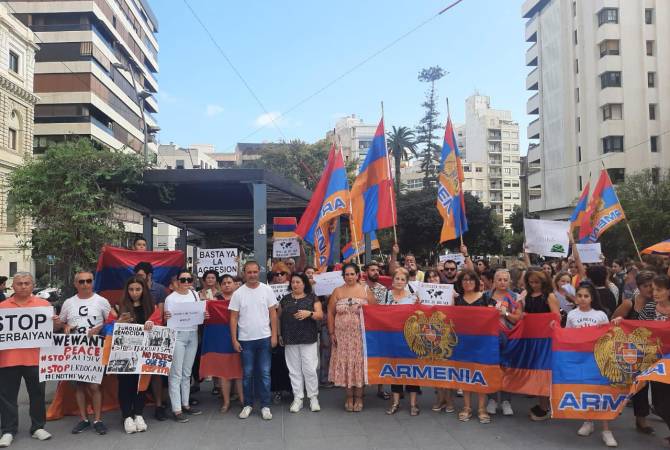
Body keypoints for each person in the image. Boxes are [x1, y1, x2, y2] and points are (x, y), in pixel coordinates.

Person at [0, 273, 55, 447]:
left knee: (37, 395)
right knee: (7, 397)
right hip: (7, 360)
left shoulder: (44, 305)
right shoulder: (2, 307)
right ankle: (8, 431)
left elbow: (52, 331)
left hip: (36, 360)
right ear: (12, 286)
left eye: (27, 283)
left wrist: (57, 324)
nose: (23, 286)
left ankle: (38, 427)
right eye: (19, 283)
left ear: (33, 285)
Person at [59, 271, 112, 435]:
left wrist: (101, 328)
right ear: (75, 284)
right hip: (75, 350)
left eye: (88, 281)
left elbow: (112, 322)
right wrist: (64, 327)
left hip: (95, 349)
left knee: (94, 385)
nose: (85, 284)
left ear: (93, 282)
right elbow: (61, 323)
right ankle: (83, 419)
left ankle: (97, 419)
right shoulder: (68, 303)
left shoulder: (102, 301)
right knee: (80, 385)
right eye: (81, 282)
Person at [566, 282, 617, 447]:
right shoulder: (571, 315)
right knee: (586, 389)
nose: (582, 299)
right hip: (581, 360)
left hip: (599, 359)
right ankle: (588, 421)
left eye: (586, 296)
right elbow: (567, 336)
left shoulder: (600, 314)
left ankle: (606, 429)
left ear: (592, 297)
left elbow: (610, 336)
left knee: (602, 391)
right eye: (579, 295)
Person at [229, 261, 279, 420]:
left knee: (265, 373)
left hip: (264, 338)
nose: (252, 275)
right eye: (249, 272)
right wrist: (234, 339)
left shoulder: (267, 290)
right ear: (244, 273)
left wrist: (274, 335)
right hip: (245, 340)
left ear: (259, 272)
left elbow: (273, 314)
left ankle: (265, 406)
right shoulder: (238, 293)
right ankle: (248, 405)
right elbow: (233, 318)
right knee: (248, 374)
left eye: (255, 272)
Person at [328, 263, 376, 412]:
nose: (349, 277)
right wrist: (331, 332)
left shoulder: (366, 291)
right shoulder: (337, 291)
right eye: (346, 274)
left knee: (358, 365)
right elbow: (330, 313)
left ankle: (360, 397)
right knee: (346, 364)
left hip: (360, 337)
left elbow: (375, 312)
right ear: (343, 276)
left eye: (352, 274)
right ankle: (349, 396)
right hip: (342, 337)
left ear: (357, 275)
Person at [115, 276, 157, 434]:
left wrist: (153, 324)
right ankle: (126, 416)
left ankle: (138, 414)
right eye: (131, 289)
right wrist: (119, 322)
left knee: (142, 384)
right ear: (127, 290)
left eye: (138, 289)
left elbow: (159, 325)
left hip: (144, 353)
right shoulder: (119, 307)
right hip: (123, 354)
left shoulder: (151, 308)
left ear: (143, 290)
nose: (134, 293)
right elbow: (107, 328)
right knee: (125, 384)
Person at [164, 270, 206, 422]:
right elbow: (166, 317)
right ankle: (176, 409)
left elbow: (200, 313)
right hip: (177, 335)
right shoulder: (171, 298)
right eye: (183, 280)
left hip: (192, 334)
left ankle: (186, 404)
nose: (186, 282)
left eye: (189, 279)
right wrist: (166, 317)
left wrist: (204, 315)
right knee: (176, 373)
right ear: (177, 281)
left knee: (187, 372)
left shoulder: (195, 295)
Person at [279, 272, 323, 413]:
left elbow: (320, 315)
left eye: (298, 282)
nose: (295, 285)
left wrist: (309, 314)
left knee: (309, 369)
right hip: (290, 339)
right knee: (294, 370)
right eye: (293, 282)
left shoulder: (312, 298)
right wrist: (280, 334)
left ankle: (313, 397)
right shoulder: (285, 300)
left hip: (308, 339)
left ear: (304, 284)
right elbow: (279, 317)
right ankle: (298, 398)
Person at [454, 269, 493, 424]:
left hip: (482, 343)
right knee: (465, 375)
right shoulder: (456, 300)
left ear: (476, 282)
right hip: (462, 342)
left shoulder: (486, 298)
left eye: (471, 279)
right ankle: (467, 407)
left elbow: (500, 313)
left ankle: (482, 408)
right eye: (464, 280)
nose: (468, 282)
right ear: (460, 283)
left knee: (481, 375)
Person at [520, 270, 560, 421]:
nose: (534, 285)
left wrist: (552, 323)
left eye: (537, 282)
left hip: (545, 341)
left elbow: (556, 317)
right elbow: (524, 313)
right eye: (531, 282)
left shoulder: (549, 296)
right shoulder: (527, 295)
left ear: (544, 282)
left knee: (542, 373)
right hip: (531, 339)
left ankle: (545, 407)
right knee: (536, 373)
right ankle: (542, 404)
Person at [382, 268, 421, 416]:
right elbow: (378, 313)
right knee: (395, 371)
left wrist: (420, 305)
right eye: (397, 279)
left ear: (406, 282)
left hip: (410, 339)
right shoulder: (386, 295)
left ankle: (413, 404)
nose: (399, 281)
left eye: (402, 279)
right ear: (392, 280)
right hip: (392, 338)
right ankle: (396, 402)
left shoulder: (413, 297)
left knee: (412, 370)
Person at [133, 262, 170, 420]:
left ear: (149, 276)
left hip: (154, 335)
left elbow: (160, 315)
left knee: (155, 373)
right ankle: (133, 409)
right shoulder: (131, 289)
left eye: (141, 276)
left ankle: (159, 405)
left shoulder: (160, 290)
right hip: (135, 337)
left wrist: (154, 323)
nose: (138, 279)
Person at [485, 269, 522, 417]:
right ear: (494, 281)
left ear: (509, 281)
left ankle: (506, 401)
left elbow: (518, 318)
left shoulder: (515, 297)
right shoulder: (486, 296)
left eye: (505, 279)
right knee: (492, 368)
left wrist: (504, 313)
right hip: (490, 337)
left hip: (509, 337)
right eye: (499, 279)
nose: (502, 282)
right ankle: (492, 399)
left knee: (507, 368)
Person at [424, 268, 455, 412]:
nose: (432, 279)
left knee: (445, 368)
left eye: (434, 276)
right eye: (429, 277)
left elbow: (456, 311)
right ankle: (439, 398)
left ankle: (448, 400)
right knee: (434, 367)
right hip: (428, 333)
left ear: (439, 277)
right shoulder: (421, 292)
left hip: (445, 333)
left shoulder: (450, 291)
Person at [216, 275, 244, 413]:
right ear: (220, 286)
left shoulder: (241, 298)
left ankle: (243, 400)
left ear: (235, 284)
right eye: (224, 283)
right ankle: (226, 402)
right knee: (224, 372)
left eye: (229, 282)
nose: (227, 285)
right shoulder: (214, 301)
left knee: (239, 370)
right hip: (221, 338)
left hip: (241, 336)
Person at [363, 262, 390, 400]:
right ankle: (360, 388)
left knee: (380, 358)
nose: (376, 272)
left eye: (377, 270)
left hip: (378, 329)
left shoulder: (384, 289)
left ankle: (381, 388)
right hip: (362, 328)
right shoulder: (360, 288)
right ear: (366, 272)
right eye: (372, 270)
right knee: (362, 357)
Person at [268, 262, 291, 405]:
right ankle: (276, 390)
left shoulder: (293, 288)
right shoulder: (267, 289)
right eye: (276, 274)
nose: (279, 276)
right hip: (272, 330)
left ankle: (290, 388)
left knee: (292, 362)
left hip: (291, 329)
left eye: (282, 273)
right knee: (276, 362)